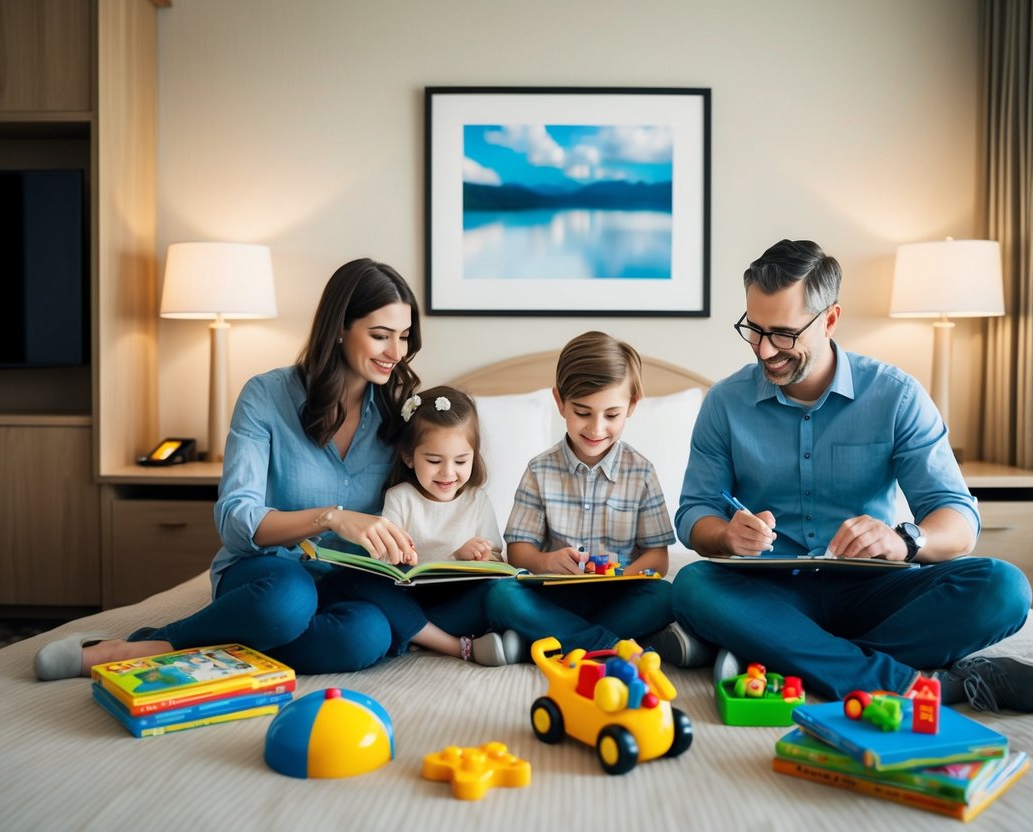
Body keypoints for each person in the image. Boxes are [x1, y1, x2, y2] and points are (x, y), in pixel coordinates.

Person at [34, 258, 504, 680]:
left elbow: (429, 499)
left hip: (345, 585)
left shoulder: (399, 417)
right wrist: (331, 517)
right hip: (266, 574)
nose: (395, 352)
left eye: (403, 337)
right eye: (380, 335)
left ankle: (223, 647)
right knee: (286, 601)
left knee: (366, 638)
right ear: (339, 327)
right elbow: (235, 519)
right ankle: (143, 645)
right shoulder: (266, 396)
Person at [670, 239, 1033, 713]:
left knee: (1003, 587)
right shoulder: (725, 403)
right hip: (772, 590)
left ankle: (781, 656)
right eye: (753, 330)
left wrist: (904, 541)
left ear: (830, 319)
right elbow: (694, 512)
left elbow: (958, 519)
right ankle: (930, 685)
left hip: (876, 588)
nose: (764, 349)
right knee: (694, 585)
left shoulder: (896, 395)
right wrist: (725, 535)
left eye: (783, 334)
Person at [485, 331, 677, 656]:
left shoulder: (641, 471)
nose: (596, 428)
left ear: (631, 406)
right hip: (555, 596)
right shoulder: (539, 470)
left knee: (667, 596)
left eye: (611, 415)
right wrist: (545, 561)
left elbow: (657, 557)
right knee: (500, 595)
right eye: (583, 412)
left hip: (619, 598)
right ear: (560, 402)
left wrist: (621, 577)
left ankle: (553, 641)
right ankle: (606, 645)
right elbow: (517, 551)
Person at [380, 384, 520, 664]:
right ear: (409, 456)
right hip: (415, 607)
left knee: (503, 593)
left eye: (460, 461)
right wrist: (449, 556)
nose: (448, 473)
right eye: (434, 460)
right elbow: (385, 566)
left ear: (473, 457)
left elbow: (497, 562)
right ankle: (456, 645)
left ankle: (491, 637)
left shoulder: (476, 500)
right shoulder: (400, 499)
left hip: (459, 606)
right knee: (371, 591)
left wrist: (481, 558)